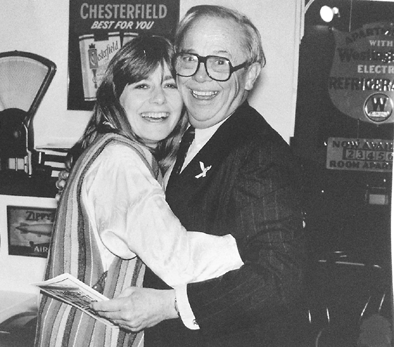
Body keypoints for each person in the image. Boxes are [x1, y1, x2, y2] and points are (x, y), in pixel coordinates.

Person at [92, 5, 307, 347]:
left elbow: (279, 277)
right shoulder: (178, 136)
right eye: (189, 58)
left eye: (220, 62)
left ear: (250, 75)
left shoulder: (259, 152)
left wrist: (172, 304)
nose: (200, 76)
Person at [35, 35, 244, 347]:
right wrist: (246, 252)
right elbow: (178, 261)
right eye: (142, 85)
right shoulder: (123, 163)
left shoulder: (112, 149)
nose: (158, 99)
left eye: (170, 85)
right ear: (117, 96)